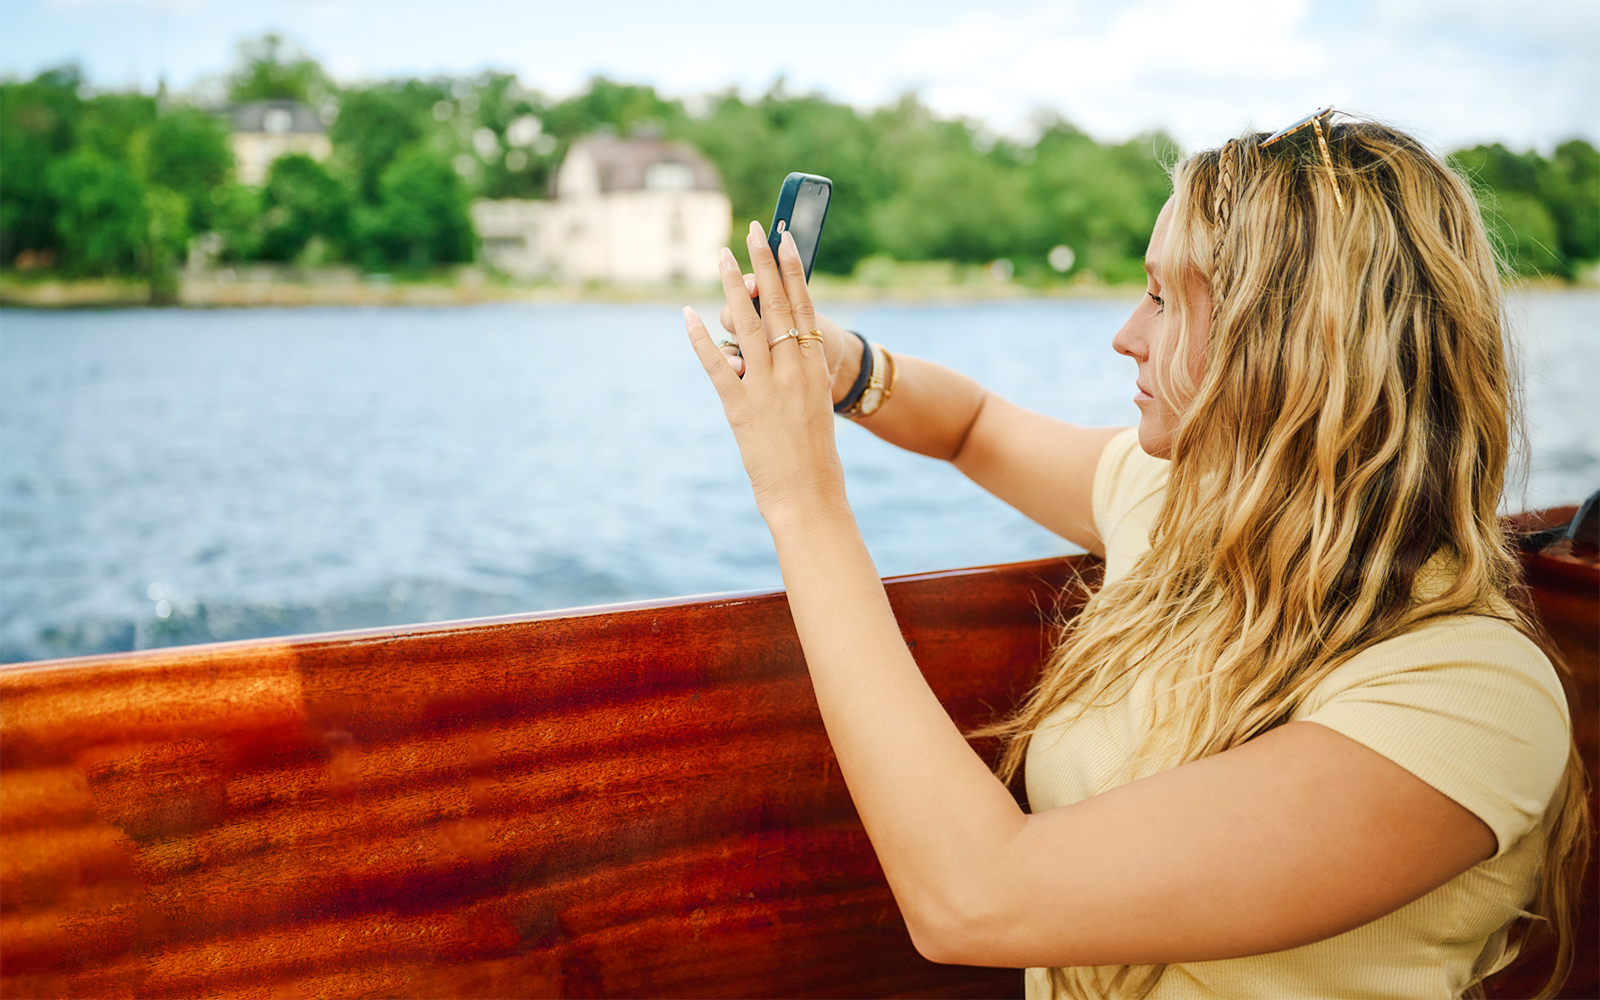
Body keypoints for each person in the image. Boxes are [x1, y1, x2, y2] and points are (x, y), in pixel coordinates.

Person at [680, 111, 1589, 1000]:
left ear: (1293, 347)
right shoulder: (1174, 503)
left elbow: (975, 899)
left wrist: (800, 496)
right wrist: (846, 368)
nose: (1126, 333)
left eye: (1163, 296)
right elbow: (974, 425)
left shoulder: (1466, 699)